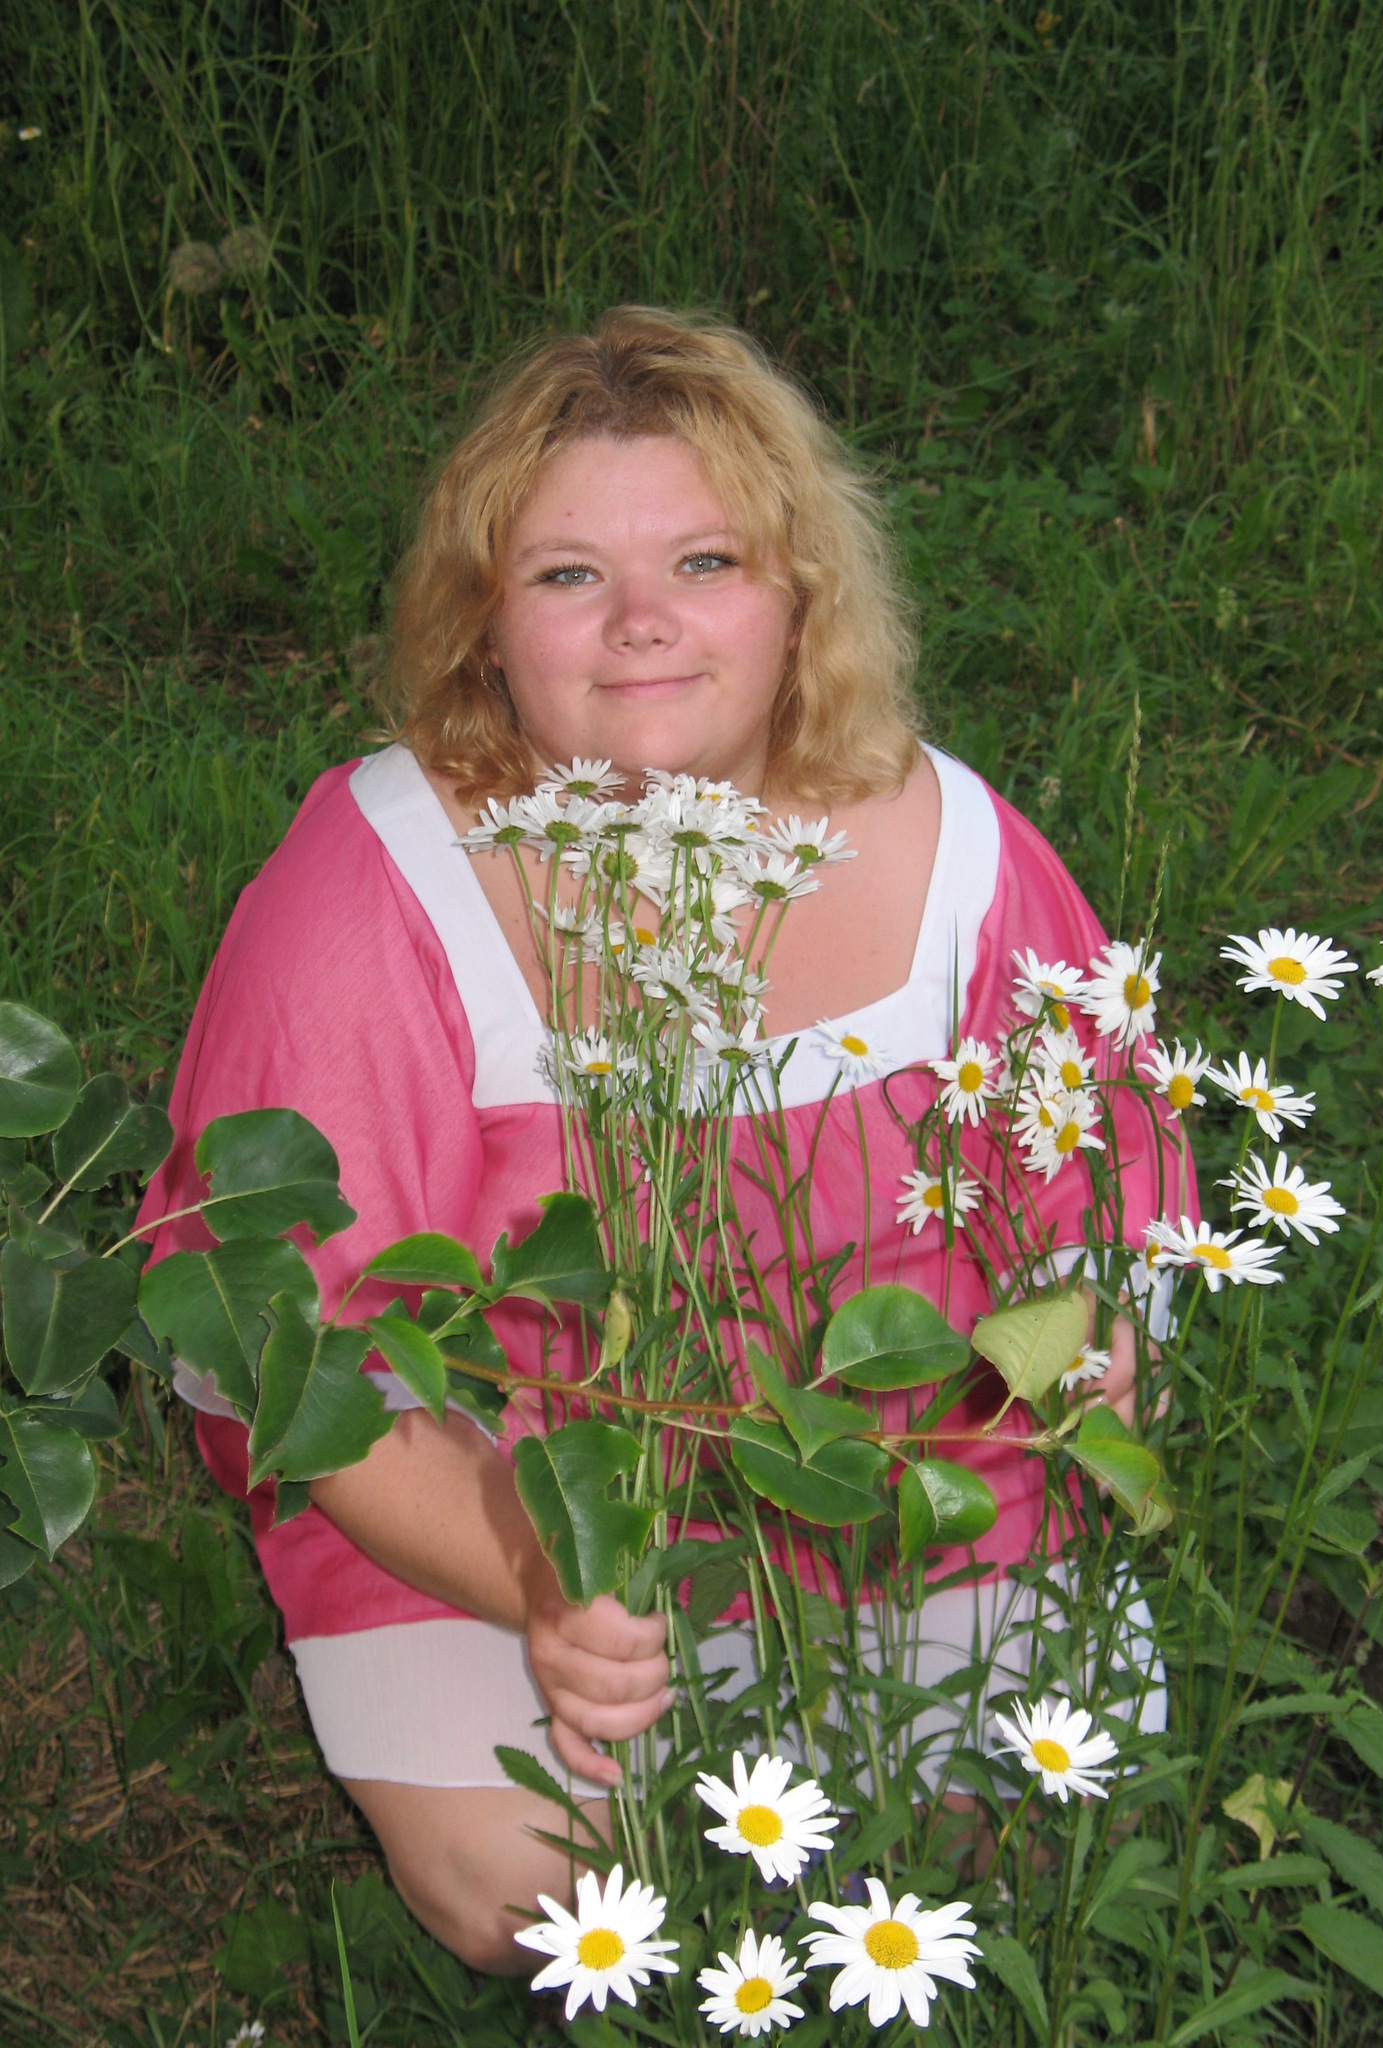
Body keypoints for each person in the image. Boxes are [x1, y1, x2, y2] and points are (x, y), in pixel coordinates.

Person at [138, 307, 1185, 1973]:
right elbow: (292, 1349)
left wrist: (1101, 1354)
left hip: (902, 1470)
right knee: (549, 1894)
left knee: (1043, 1837)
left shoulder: (955, 849)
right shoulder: (378, 882)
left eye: (705, 561)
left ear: (799, 596)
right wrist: (541, 1577)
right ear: (486, 624)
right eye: (569, 574)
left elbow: (1101, 1193)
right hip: (505, 1495)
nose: (642, 623)